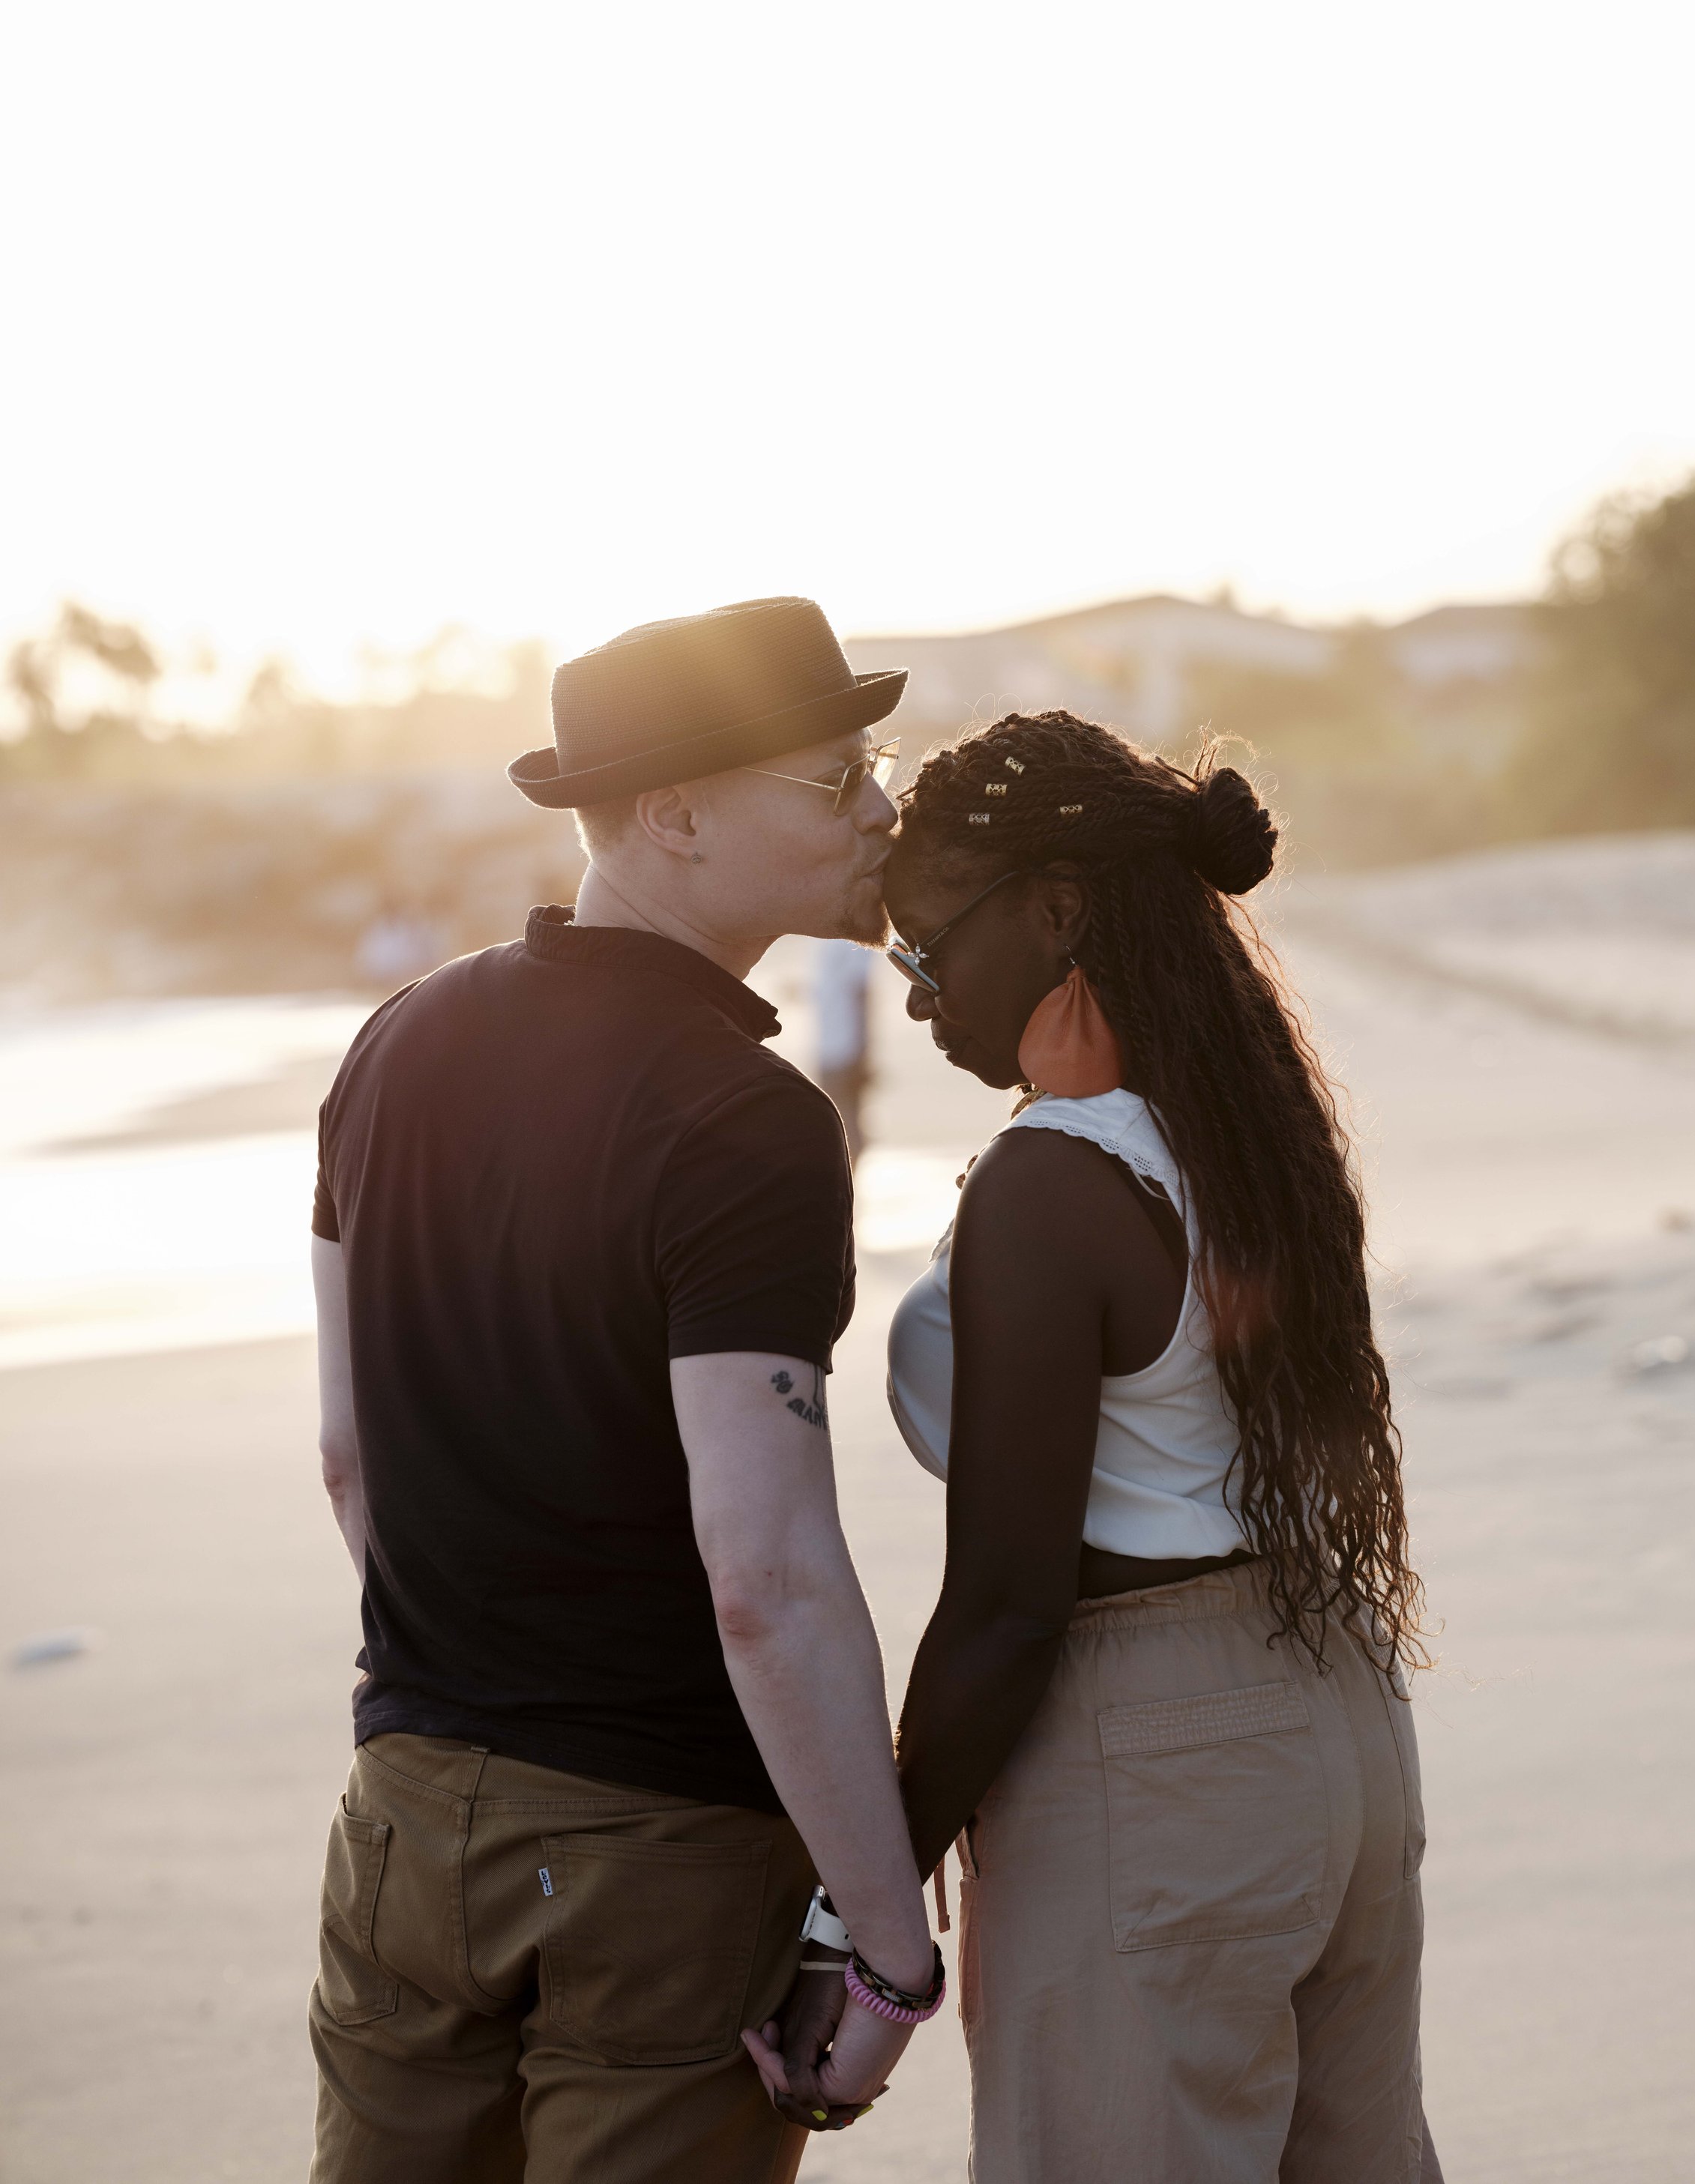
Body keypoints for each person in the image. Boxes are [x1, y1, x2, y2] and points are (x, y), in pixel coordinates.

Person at [307, 597, 941, 2184]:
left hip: (403, 1806)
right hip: (658, 1842)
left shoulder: (393, 1045)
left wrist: (472, 1687)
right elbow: (765, 1577)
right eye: (837, 776)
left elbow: (347, 1456)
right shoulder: (745, 1119)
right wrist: (887, 1948)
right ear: (674, 814)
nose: (881, 805)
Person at [881, 709, 1440, 2184]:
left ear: (1057, 910)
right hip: (1334, 1710)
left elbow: (1007, 1601)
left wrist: (861, 1895)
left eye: (926, 947)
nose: (915, 996)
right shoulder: (1244, 1129)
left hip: (1154, 1749)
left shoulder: (1052, 1183)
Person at [813, 938, 875, 1155]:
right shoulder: (844, 944)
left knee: (841, 1124)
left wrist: (864, 1051)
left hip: (838, 1048)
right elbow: (857, 995)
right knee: (844, 1124)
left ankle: (850, 1175)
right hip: (838, 1047)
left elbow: (859, 996)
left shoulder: (840, 943)